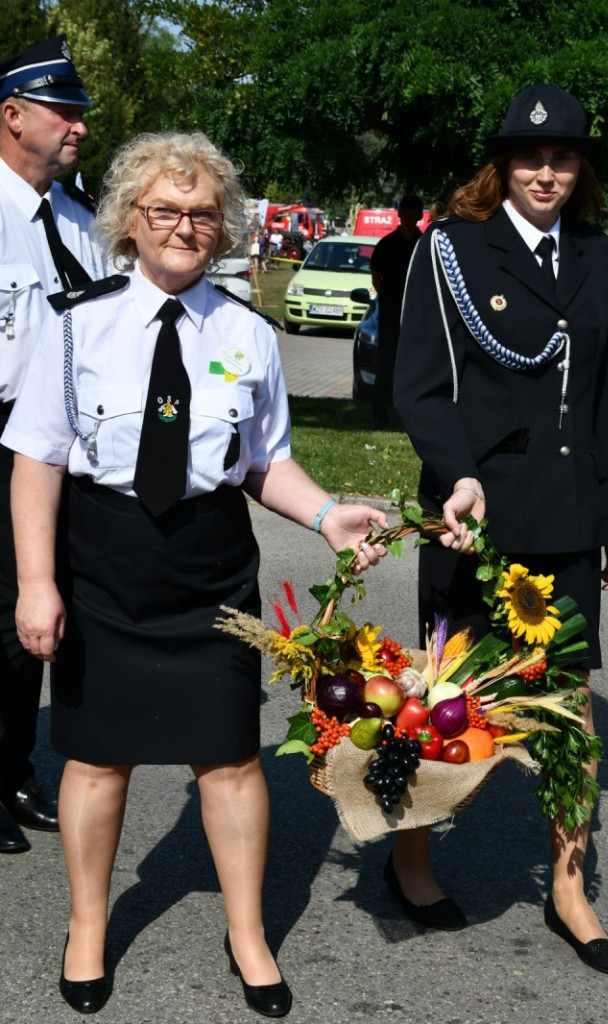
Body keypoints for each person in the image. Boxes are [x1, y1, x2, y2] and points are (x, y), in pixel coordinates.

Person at [2, 130, 387, 1016]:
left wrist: (328, 514)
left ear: (223, 230)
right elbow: (37, 462)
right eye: (164, 211)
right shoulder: (76, 325)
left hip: (212, 570)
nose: (183, 227)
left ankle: (248, 933)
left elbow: (263, 462)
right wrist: (35, 583)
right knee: (95, 762)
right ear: (129, 222)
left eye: (202, 214)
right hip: (103, 564)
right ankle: (89, 925)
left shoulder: (249, 335)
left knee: (229, 761)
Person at [393, 83, 608, 974]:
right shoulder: (452, 251)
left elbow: (607, 393)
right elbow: (419, 386)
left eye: (563, 158)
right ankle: (411, 856)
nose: (546, 173)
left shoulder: (600, 255)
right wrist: (457, 474)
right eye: (530, 158)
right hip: (475, 515)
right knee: (447, 700)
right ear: (502, 165)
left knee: (566, 706)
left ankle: (568, 887)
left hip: (569, 514)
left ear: (582, 168)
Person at [0, 34, 105, 854]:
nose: (77, 126)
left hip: (66, 443)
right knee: (5, 616)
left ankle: (13, 767)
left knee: (42, 612)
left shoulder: (77, 216)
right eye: (63, 111)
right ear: (12, 116)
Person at [369, 195, 423, 428]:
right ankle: (380, 414)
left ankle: (411, 414)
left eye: (414, 213)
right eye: (406, 213)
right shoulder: (386, 244)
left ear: (420, 216)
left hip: (417, 317)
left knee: (415, 367)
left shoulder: (424, 244)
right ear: (399, 215)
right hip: (390, 315)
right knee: (386, 364)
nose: (410, 218)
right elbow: (376, 279)